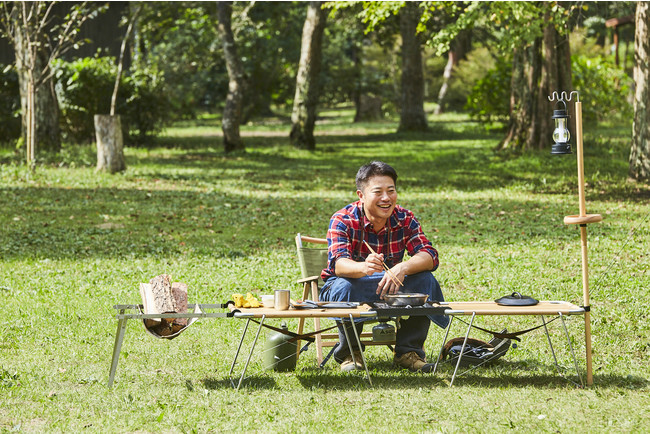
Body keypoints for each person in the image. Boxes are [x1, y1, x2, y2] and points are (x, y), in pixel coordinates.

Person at [320, 161, 448, 372]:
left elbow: (429, 255)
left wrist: (403, 267)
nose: (386, 198)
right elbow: (338, 265)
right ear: (361, 195)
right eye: (378, 192)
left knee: (425, 280)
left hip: (392, 286)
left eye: (391, 191)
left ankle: (408, 352)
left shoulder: (404, 218)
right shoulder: (343, 219)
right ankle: (351, 354)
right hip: (352, 285)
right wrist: (363, 267)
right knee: (344, 286)